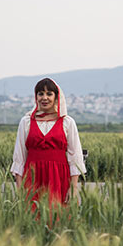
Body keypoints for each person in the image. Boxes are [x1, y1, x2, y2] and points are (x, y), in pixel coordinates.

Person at [10, 77, 86, 215]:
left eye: (49, 94)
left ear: (57, 97)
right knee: (31, 219)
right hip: (32, 179)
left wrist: (73, 188)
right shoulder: (26, 122)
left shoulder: (67, 122)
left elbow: (75, 157)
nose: (44, 98)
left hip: (59, 178)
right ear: (36, 97)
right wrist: (20, 189)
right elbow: (19, 157)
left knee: (58, 219)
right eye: (40, 93)